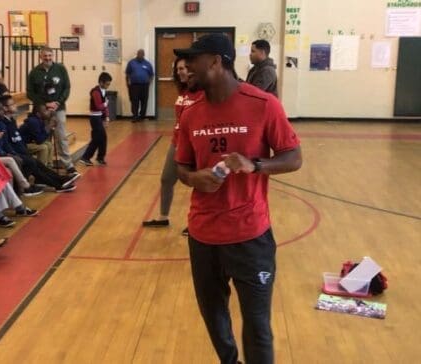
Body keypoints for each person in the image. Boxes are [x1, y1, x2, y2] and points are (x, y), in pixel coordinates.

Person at [173, 34, 302, 364]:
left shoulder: (262, 104)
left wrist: (255, 164)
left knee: (257, 326)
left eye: (194, 59)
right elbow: (182, 168)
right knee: (215, 321)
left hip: (250, 236)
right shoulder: (190, 115)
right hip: (203, 237)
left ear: (216, 61)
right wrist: (193, 178)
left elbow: (293, 157)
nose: (185, 66)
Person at [142, 57, 201, 235]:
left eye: (183, 68)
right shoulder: (183, 91)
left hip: (196, 144)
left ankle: (198, 224)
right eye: (178, 69)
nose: (180, 72)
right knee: (167, 179)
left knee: (200, 183)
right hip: (177, 141)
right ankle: (163, 217)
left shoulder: (204, 92)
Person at [26, 47, 77, 176]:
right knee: (44, 136)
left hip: (58, 108)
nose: (47, 58)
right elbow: (30, 92)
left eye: (50, 56)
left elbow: (67, 87)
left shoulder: (60, 69)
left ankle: (68, 164)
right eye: (45, 56)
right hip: (41, 110)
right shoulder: (34, 72)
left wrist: (58, 102)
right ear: (40, 56)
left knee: (61, 136)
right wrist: (44, 104)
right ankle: (47, 166)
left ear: (52, 56)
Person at [79, 72, 112, 166]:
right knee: (97, 138)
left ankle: (100, 157)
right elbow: (98, 106)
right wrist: (106, 104)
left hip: (99, 117)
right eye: (107, 84)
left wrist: (107, 117)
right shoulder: (95, 92)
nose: (108, 86)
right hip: (95, 118)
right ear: (101, 82)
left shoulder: (103, 91)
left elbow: (104, 107)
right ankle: (85, 157)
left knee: (102, 138)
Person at [125, 49, 154, 122]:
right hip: (134, 86)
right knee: (135, 101)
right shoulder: (131, 63)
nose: (140, 55)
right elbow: (127, 74)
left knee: (144, 101)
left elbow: (151, 75)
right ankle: (135, 116)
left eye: (141, 54)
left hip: (145, 86)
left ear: (143, 55)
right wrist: (128, 83)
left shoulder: (147, 64)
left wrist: (148, 82)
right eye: (139, 54)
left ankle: (142, 117)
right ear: (137, 54)